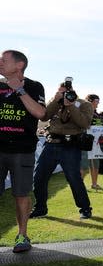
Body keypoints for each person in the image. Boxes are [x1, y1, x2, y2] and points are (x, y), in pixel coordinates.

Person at [0, 50, 46, 252]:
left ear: (19, 65)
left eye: (4, 60)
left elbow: (41, 113)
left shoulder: (34, 86)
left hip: (23, 150)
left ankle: (22, 236)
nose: (0, 62)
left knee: (21, 194)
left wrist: (19, 90)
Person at [30, 80, 93, 219]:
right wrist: (55, 101)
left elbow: (84, 123)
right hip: (51, 143)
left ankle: (85, 208)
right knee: (39, 177)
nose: (61, 94)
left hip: (70, 146)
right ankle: (40, 208)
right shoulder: (55, 102)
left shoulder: (84, 104)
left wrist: (70, 106)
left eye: (63, 92)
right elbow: (45, 116)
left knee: (74, 178)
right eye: (59, 91)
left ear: (71, 91)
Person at [85, 94, 103, 190]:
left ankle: (94, 184)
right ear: (90, 101)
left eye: (98, 101)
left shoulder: (97, 114)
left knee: (96, 164)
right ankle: (79, 186)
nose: (98, 103)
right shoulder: (85, 112)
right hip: (86, 142)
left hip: (96, 143)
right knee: (84, 166)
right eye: (96, 101)